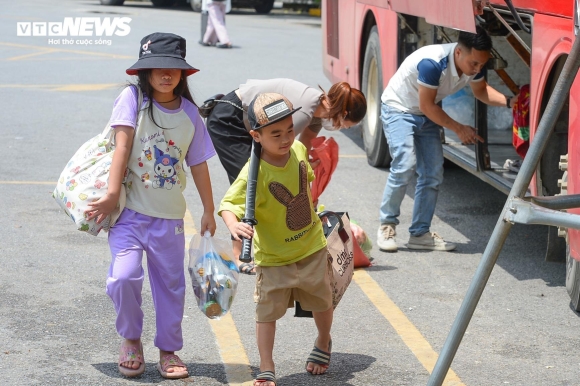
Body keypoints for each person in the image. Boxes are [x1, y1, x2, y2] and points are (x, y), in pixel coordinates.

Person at [85, 32, 217, 379]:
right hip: (128, 214)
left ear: (183, 73)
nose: (165, 73)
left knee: (170, 285)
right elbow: (122, 149)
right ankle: (130, 339)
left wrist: (208, 209)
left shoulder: (190, 114)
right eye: (157, 67)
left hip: (169, 218)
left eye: (173, 68)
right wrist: (113, 194)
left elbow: (199, 163)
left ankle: (169, 350)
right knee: (123, 277)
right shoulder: (132, 99)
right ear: (144, 71)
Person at [219, 93, 334, 386]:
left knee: (321, 301)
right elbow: (228, 205)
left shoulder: (297, 149)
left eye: (289, 130)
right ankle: (266, 365)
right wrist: (234, 226)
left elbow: (306, 182)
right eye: (275, 134)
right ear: (256, 136)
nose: (285, 139)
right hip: (273, 258)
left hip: (311, 247)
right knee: (266, 313)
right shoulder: (253, 173)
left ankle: (323, 339)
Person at [377, 26, 517, 252]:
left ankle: (420, 234)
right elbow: (426, 105)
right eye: (474, 64)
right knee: (404, 163)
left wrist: (512, 102)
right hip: (399, 109)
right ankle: (387, 225)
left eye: (482, 65)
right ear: (459, 53)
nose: (478, 69)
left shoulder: (474, 64)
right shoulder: (433, 63)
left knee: (433, 172)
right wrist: (459, 128)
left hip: (425, 113)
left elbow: (481, 91)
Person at [206, 78, 366, 274]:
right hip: (229, 119)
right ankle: (239, 254)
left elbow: (301, 149)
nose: (344, 129)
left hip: (250, 124)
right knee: (250, 185)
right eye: (347, 125)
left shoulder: (317, 113)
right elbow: (280, 144)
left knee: (258, 185)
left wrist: (308, 166)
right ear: (345, 113)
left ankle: (264, 245)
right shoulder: (307, 109)